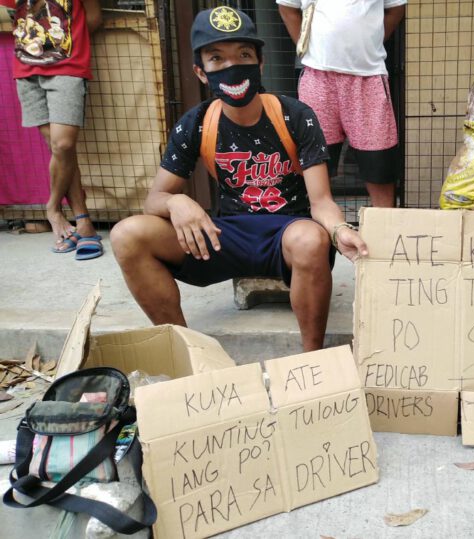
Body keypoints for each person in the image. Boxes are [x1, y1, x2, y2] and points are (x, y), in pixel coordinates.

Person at [110, 6, 368, 352]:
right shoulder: (196, 123)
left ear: (260, 64)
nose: (232, 67)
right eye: (217, 58)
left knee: (310, 239)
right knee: (127, 235)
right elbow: (155, 198)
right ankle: (185, 352)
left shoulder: (296, 116)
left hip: (287, 232)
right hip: (225, 235)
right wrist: (177, 201)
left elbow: (321, 202)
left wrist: (339, 231)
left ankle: (312, 362)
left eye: (243, 55)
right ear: (201, 73)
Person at [277, 0, 406, 208]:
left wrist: (372, 42)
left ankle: (383, 232)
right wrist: (306, 47)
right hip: (318, 76)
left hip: (368, 77)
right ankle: (320, 235)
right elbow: (287, 8)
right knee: (316, 163)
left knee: (379, 163)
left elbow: (396, 9)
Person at [12, 0, 103, 259]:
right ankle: (83, 222)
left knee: (63, 145)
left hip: (67, 66)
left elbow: (94, 19)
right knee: (60, 149)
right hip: (26, 71)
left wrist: (59, 44)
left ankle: (52, 208)